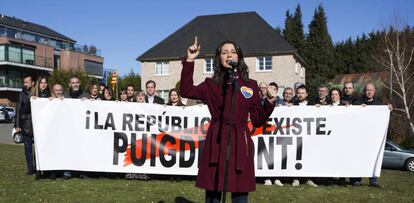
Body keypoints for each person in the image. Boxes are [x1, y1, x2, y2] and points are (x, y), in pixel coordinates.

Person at [180, 37, 276, 202]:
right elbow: (186, 90)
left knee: (240, 194)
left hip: (240, 143)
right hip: (216, 141)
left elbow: (257, 119)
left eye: (233, 52)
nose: (229, 55)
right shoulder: (210, 84)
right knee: (213, 191)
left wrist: (269, 102)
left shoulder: (250, 85)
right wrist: (189, 60)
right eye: (224, 52)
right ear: (219, 58)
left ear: (239, 57)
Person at [351, 83, 385, 187]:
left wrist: (389, 111)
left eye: (371, 90)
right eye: (367, 90)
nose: (369, 92)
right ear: (364, 91)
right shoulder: (357, 102)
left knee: (373, 157)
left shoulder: (379, 104)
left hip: (373, 138)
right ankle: (356, 180)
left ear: (374, 91)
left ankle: (373, 180)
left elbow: (383, 118)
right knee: (358, 158)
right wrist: (357, 108)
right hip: (359, 137)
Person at [63, 76, 88, 179]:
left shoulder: (85, 94)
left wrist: (88, 101)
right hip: (69, 127)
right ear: (70, 84)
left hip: (82, 128)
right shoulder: (65, 96)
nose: (75, 84)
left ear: (80, 83)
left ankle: (82, 171)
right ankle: (67, 172)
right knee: (68, 149)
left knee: (81, 149)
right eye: (73, 83)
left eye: (77, 82)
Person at [292, 85, 317, 187]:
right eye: (299, 93)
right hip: (296, 136)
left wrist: (319, 109)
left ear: (306, 94)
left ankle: (309, 178)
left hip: (309, 136)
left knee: (309, 156)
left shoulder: (313, 104)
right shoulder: (293, 105)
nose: (300, 95)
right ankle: (296, 178)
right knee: (296, 156)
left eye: (302, 93)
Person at [15, 75, 36, 177]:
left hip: (37, 123)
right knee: (27, 147)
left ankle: (39, 167)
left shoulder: (37, 93)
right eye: (24, 82)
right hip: (25, 123)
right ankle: (30, 168)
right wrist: (17, 124)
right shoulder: (21, 94)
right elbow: (18, 109)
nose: (25, 84)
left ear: (33, 83)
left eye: (27, 82)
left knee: (38, 148)